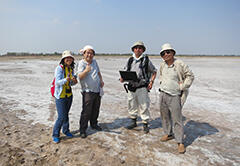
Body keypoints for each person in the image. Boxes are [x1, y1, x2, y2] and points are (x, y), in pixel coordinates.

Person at [158, 43, 194, 153]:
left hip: (175, 95)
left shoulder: (179, 64)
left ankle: (180, 142)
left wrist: (183, 86)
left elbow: (190, 76)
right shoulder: (162, 65)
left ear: (173, 52)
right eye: (163, 53)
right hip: (163, 93)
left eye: (168, 52)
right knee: (165, 116)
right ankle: (168, 133)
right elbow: (161, 75)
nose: (166, 54)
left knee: (177, 119)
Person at [120, 41, 157, 134]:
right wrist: (122, 79)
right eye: (136, 48)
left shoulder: (146, 60)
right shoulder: (130, 60)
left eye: (140, 48)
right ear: (133, 49)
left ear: (143, 50)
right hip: (131, 86)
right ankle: (134, 122)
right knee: (131, 104)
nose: (138, 49)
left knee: (144, 105)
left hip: (142, 86)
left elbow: (154, 71)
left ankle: (145, 124)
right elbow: (126, 71)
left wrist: (151, 82)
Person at [77, 45, 104, 138]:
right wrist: (86, 71)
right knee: (86, 111)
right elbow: (79, 77)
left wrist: (101, 80)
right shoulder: (81, 63)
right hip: (87, 91)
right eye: (87, 53)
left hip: (97, 90)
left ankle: (94, 124)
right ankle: (83, 130)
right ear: (84, 54)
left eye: (91, 53)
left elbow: (99, 73)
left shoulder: (95, 62)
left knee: (96, 109)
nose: (89, 55)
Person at [52, 50, 78, 143]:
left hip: (69, 95)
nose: (69, 59)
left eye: (70, 58)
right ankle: (55, 134)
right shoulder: (59, 68)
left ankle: (66, 130)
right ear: (63, 59)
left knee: (66, 114)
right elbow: (57, 83)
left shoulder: (71, 69)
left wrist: (74, 81)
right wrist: (66, 79)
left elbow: (70, 84)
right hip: (60, 96)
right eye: (67, 58)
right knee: (61, 116)